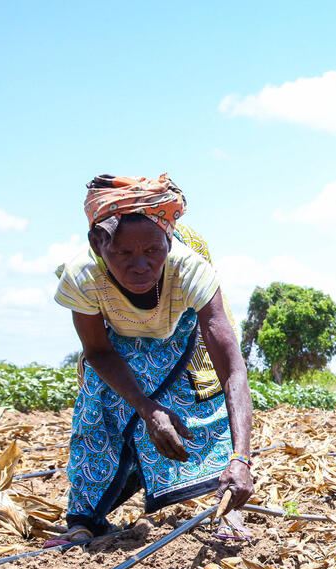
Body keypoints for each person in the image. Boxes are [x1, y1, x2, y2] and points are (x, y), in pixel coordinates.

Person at [48, 174, 254, 544]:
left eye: (153, 252)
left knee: (204, 405)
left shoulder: (191, 270)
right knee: (98, 413)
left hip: (182, 334)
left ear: (169, 242)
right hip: (117, 344)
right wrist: (147, 408)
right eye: (123, 253)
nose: (140, 266)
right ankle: (85, 520)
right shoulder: (82, 275)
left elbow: (233, 371)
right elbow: (97, 351)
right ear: (98, 245)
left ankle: (229, 509)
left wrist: (242, 458)